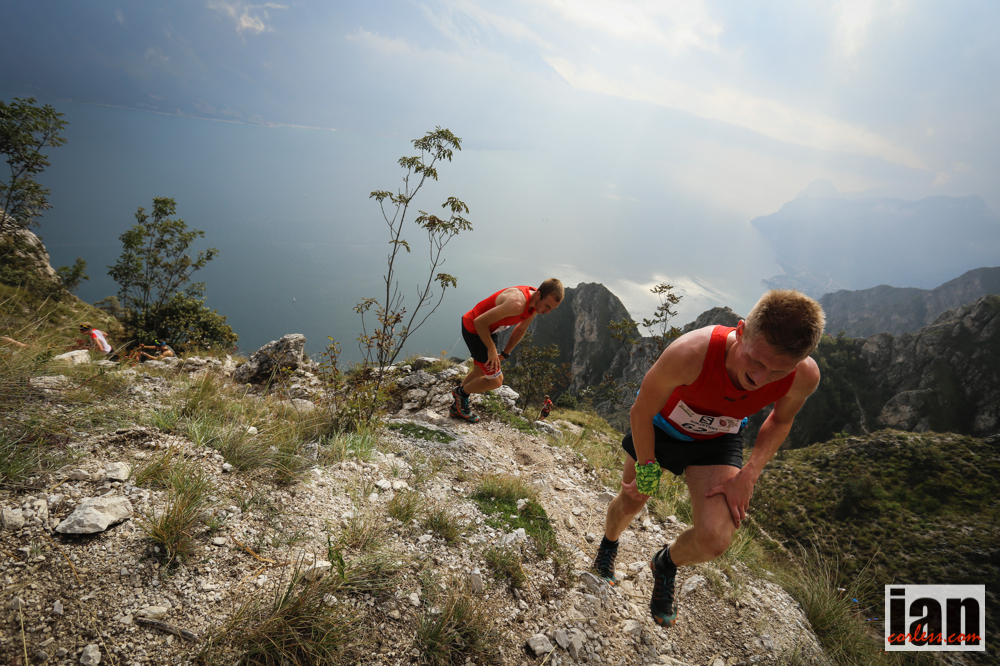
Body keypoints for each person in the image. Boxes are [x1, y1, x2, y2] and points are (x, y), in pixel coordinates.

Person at [591, 290, 824, 628]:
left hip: (718, 439)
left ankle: (665, 563)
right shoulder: (691, 353)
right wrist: (647, 468)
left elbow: (781, 420)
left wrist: (749, 473)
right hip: (661, 427)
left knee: (715, 540)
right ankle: (609, 544)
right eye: (756, 361)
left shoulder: (804, 376)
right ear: (740, 331)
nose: (760, 379)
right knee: (631, 501)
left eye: (778, 372)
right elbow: (641, 410)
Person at [451, 279, 565, 423]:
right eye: (547, 306)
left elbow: (521, 328)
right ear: (538, 295)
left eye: (552, 309)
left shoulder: (535, 304)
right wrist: (492, 349)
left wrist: (505, 353)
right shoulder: (517, 304)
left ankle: (457, 405)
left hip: (490, 330)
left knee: (479, 371)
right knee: (496, 381)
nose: (548, 312)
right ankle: (460, 393)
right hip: (475, 329)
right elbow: (479, 322)